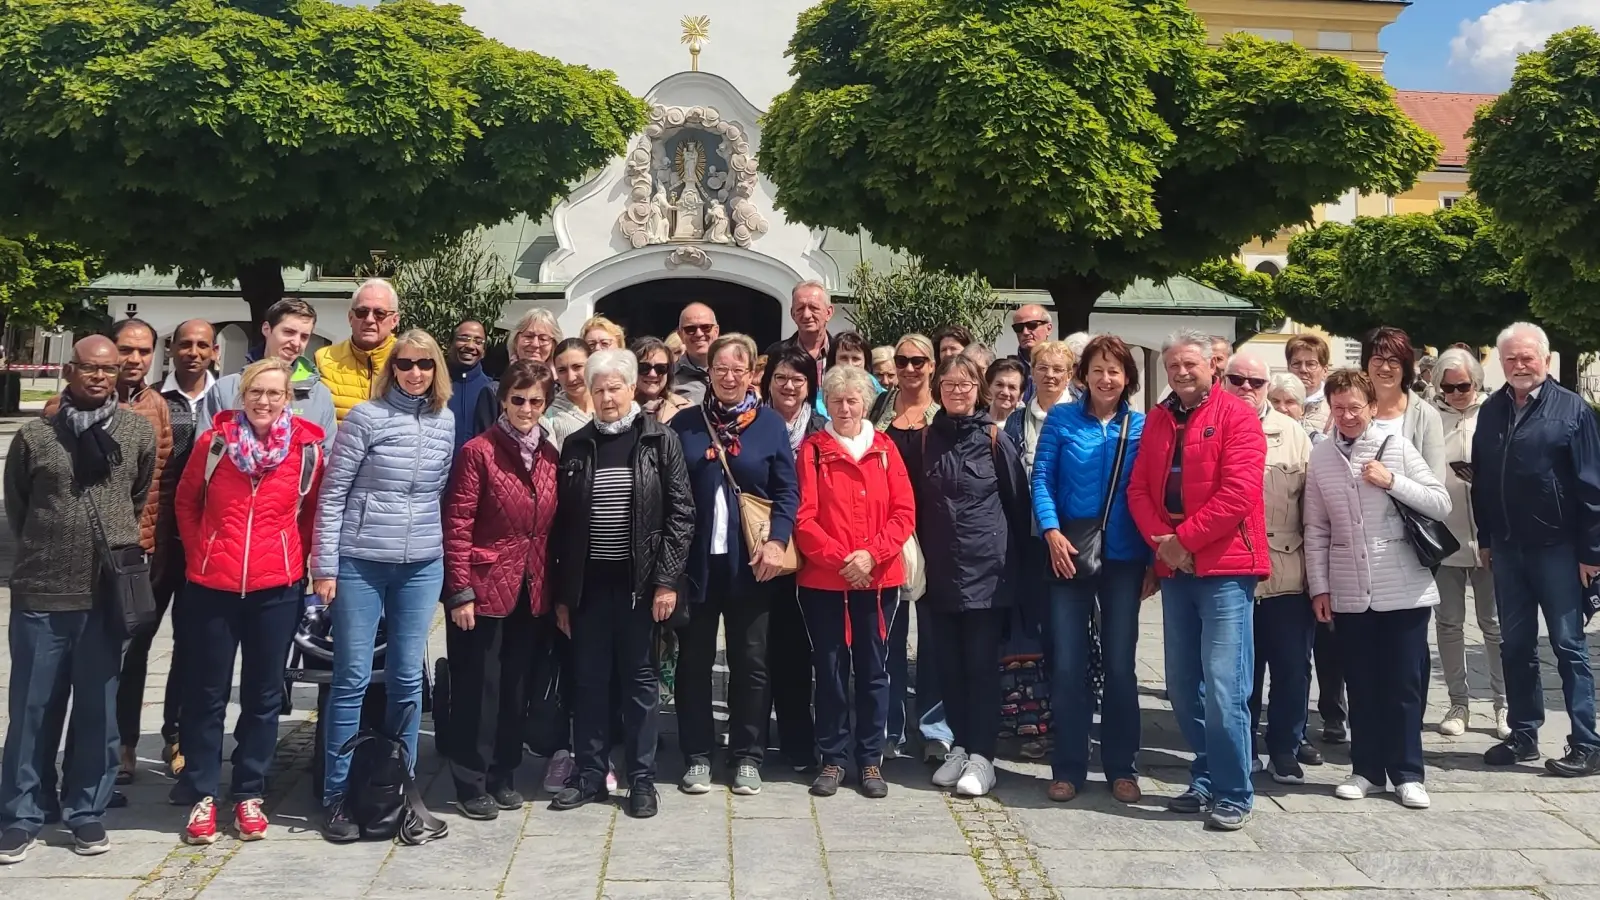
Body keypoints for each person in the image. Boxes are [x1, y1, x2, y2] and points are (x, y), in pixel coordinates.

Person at [0, 336, 156, 864]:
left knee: (97, 709)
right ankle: (21, 812)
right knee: (31, 709)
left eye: (109, 370)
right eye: (90, 368)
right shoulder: (36, 436)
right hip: (42, 591)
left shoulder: (134, 430)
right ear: (69, 370)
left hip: (105, 593)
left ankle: (85, 811)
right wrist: (49, 550)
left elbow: (137, 494)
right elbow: (18, 506)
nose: (100, 377)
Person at [172, 358, 326, 844]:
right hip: (212, 586)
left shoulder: (307, 450)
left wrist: (293, 561)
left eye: (274, 394)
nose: (264, 401)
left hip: (275, 590)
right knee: (206, 694)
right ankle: (200, 793)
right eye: (256, 392)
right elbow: (186, 501)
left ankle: (249, 792)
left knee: (262, 696)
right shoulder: (213, 443)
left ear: (288, 399)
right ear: (243, 396)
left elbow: (311, 515)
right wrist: (204, 550)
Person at [312, 329, 455, 842]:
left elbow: (439, 492)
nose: (415, 372)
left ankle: (400, 790)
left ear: (436, 369)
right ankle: (336, 795)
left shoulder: (445, 420)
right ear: (391, 368)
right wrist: (324, 568)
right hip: (362, 561)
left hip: (420, 563)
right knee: (351, 678)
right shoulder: (368, 419)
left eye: (424, 364)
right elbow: (333, 496)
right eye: (405, 363)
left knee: (407, 680)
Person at [1126, 329, 1268, 832]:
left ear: (1212, 365)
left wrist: (1183, 541)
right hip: (1177, 569)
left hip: (1226, 568)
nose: (1181, 373)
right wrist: (1164, 543)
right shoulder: (1160, 419)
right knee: (1184, 687)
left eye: (1190, 364)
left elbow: (1239, 492)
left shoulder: (1239, 415)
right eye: (1173, 367)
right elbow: (1139, 488)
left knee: (1227, 685)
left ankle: (1233, 790)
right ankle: (1206, 773)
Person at [549, 349, 694, 819]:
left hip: (641, 587)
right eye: (599, 389)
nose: (607, 397)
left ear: (632, 389)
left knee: (639, 684)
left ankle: (643, 780)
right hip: (589, 586)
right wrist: (564, 595)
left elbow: (681, 514)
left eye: (615, 387)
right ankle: (590, 775)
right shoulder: (576, 444)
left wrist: (667, 580)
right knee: (589, 682)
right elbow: (564, 525)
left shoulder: (659, 440)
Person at [1305, 368, 1450, 808]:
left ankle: (1408, 771)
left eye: (1355, 407)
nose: (1347, 415)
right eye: (1339, 408)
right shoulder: (1321, 456)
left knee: (1403, 684)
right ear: (1329, 409)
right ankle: (1365, 768)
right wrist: (1320, 587)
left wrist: (1393, 481)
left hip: (1400, 584)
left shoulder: (1396, 446)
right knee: (1362, 682)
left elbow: (1439, 502)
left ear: (1371, 407)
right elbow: (1316, 527)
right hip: (1349, 585)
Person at [39, 319, 173, 794]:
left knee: (123, 663)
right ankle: (49, 769)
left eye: (141, 352)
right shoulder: (58, 413)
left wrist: (139, 545)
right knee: (62, 671)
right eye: (125, 350)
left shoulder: (158, 410)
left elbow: (148, 487)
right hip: (65, 563)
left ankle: (111, 756)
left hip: (130, 557)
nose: (134, 360)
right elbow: (27, 497)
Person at [671, 334, 799, 797]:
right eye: (720, 369)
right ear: (710, 373)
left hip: (752, 566)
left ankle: (747, 754)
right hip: (698, 566)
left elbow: (788, 491)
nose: (728, 377)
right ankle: (698, 754)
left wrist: (777, 543)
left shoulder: (768, 426)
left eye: (737, 370)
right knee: (695, 662)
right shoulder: (685, 424)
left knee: (752, 663)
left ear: (751, 376)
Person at [1472, 322, 1600, 777]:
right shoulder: (1491, 410)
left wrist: (1592, 552)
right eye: (1511, 358)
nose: (1519, 365)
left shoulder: (1573, 411)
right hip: (1507, 549)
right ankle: (1524, 733)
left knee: (1568, 645)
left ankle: (1587, 741)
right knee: (1516, 646)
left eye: (1528, 357)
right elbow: (1483, 482)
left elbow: (1592, 487)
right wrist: (1486, 539)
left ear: (1545, 360)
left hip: (1559, 549)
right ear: (1501, 362)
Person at [1031, 335, 1148, 804]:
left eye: (1115, 371)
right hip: (1069, 555)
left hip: (1124, 559)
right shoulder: (1061, 419)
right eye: (1097, 370)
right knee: (1069, 665)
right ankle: (1069, 766)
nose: (1106, 379)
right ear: (1084, 376)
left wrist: (1154, 561)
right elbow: (1041, 479)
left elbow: (1151, 493)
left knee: (1120, 665)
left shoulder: (1140, 427)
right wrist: (1051, 531)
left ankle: (1122, 766)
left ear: (1127, 380)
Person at [441, 360, 560, 819]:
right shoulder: (479, 451)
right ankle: (470, 781)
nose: (526, 409)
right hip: (484, 586)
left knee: (516, 688)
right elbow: (457, 523)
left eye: (535, 401)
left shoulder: (549, 453)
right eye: (518, 400)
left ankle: (503, 774)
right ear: (503, 401)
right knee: (479, 688)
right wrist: (460, 590)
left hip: (532, 588)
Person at [794, 365, 916, 798]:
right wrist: (839, 558)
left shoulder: (885, 449)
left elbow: (904, 512)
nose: (845, 408)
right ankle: (832, 757)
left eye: (854, 400)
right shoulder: (812, 450)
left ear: (866, 403)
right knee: (829, 670)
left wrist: (872, 555)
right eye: (838, 400)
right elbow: (803, 517)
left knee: (873, 670)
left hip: (878, 578)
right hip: (826, 581)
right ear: (827, 403)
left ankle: (870, 760)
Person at [916, 353, 1028, 798]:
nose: (957, 391)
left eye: (965, 384)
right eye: (949, 385)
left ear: (977, 389)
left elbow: (1019, 509)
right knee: (949, 666)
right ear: (938, 390)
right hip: (940, 574)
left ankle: (983, 756)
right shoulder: (927, 439)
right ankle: (960, 746)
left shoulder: (995, 439)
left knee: (981, 668)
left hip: (988, 574)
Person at [1223, 355, 1317, 784]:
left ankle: (1285, 747)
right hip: (1228, 568)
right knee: (1240, 670)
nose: (1246, 387)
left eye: (1255, 381)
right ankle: (1243, 746)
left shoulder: (1293, 432)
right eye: (1236, 379)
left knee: (1291, 668)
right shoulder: (1212, 425)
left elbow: (1312, 509)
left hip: (1285, 567)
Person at [135, 319, 216, 784]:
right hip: (156, 535)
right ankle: (125, 740)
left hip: (199, 540)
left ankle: (176, 735)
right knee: (138, 639)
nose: (192, 351)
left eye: (202, 345)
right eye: (184, 344)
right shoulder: (154, 400)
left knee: (192, 644)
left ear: (213, 352)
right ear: (171, 350)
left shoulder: (221, 399)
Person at [870, 334, 950, 761]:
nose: (909, 368)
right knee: (888, 636)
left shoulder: (942, 412)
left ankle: (936, 728)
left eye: (918, 360)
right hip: (888, 534)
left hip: (935, 534)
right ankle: (889, 725)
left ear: (932, 365)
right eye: (902, 360)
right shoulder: (879, 406)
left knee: (935, 638)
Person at [1431, 348, 1509, 740]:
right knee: (1448, 623)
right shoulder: (1431, 417)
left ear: (1476, 383)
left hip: (1490, 537)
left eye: (1463, 386)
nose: (1457, 393)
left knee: (1494, 624)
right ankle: (1458, 701)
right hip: (1447, 537)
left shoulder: (1493, 413)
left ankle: (1503, 703)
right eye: (1449, 387)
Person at [760, 345, 827, 771]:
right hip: (760, 544)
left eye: (797, 379)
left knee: (797, 650)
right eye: (781, 377)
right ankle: (748, 739)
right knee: (753, 650)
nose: (788, 385)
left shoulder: (821, 429)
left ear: (809, 386)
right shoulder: (751, 423)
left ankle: (798, 740)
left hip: (809, 551)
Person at [202, 298, 338, 451]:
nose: (296, 343)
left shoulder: (319, 396)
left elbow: (326, 459)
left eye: (304, 337)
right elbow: (203, 455)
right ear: (266, 329)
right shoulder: (226, 390)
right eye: (289, 332)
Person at [1363, 326, 1445, 478]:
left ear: (1405, 367)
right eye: (1377, 359)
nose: (1385, 367)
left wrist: (1391, 483)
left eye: (1394, 361)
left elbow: (1436, 487)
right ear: (1366, 364)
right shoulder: (1351, 409)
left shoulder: (1426, 417)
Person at [316, 278, 400, 423]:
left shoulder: (410, 362)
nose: (369, 319)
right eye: (362, 312)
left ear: (394, 321)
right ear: (350, 317)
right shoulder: (324, 359)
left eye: (379, 313)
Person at [766, 281, 834, 385]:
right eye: (800, 308)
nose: (806, 315)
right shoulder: (776, 354)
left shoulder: (842, 354)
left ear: (828, 313)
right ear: (793, 314)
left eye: (813, 308)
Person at [446, 320, 498, 452]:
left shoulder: (492, 391)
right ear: (449, 344)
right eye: (464, 338)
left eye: (478, 342)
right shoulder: (433, 384)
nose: (470, 345)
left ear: (484, 351)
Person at [544, 339, 593, 450]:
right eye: (562, 370)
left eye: (577, 367)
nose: (570, 378)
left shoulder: (609, 405)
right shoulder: (549, 415)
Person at [631, 336, 693, 424]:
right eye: (644, 367)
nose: (652, 374)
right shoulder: (616, 408)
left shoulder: (686, 410)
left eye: (661, 368)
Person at [672, 303, 720, 404]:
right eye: (690, 329)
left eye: (706, 327)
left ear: (716, 331)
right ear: (680, 335)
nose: (699, 334)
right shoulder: (668, 378)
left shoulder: (736, 372)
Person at [1287, 333, 1333, 436]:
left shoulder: (1335, 406)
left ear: (1325, 371)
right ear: (1288, 368)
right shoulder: (1273, 405)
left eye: (1311, 364)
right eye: (1296, 363)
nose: (1303, 369)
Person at [1010, 303, 1054, 399]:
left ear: (1049, 328)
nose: (1025, 332)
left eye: (1032, 325)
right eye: (1019, 328)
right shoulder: (1009, 368)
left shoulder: (1063, 365)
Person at [986, 358, 1026, 427]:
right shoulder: (973, 423)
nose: (1005, 392)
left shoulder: (1026, 428)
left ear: (1021, 395)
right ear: (988, 387)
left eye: (1012, 387)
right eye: (999, 385)